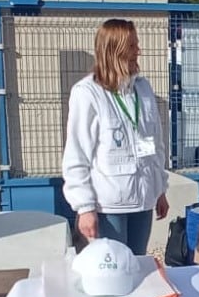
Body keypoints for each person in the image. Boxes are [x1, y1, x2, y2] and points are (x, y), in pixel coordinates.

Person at [62, 18, 169, 256]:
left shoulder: (143, 88)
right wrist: (85, 208)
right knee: (113, 270)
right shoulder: (87, 93)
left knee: (137, 262)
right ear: (115, 50)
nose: (138, 51)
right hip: (109, 206)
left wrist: (160, 188)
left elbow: (156, 143)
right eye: (132, 46)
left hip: (143, 201)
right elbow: (77, 155)